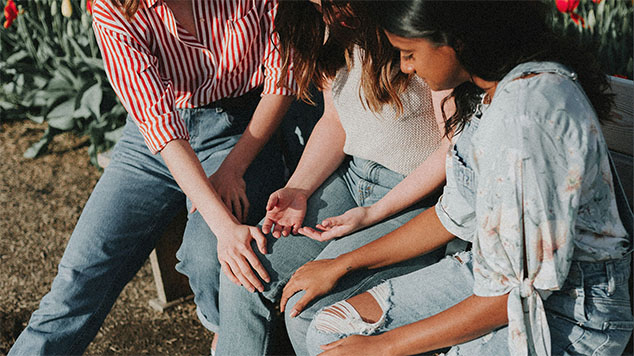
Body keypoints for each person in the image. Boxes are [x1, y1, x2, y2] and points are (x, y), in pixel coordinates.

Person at [280, 1, 634, 355]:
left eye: (409, 52)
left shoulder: (527, 117)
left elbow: (512, 295)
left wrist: (382, 347)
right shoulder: (488, 92)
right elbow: (451, 216)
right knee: (329, 330)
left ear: (457, 41)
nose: (405, 66)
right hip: (487, 273)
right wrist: (341, 263)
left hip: (568, 313)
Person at [8, 0, 298, 354]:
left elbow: (282, 79)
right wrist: (224, 226)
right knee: (79, 277)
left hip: (240, 132)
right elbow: (159, 125)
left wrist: (233, 170)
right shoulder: (113, 6)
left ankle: (226, 331)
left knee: (207, 256)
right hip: (152, 140)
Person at [215, 1, 457, 355]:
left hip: (415, 198)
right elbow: (335, 121)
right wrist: (299, 187)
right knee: (244, 274)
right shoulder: (322, 22)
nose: (326, 11)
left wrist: (376, 212)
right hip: (350, 179)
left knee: (308, 308)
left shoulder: (410, 26)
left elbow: (452, 149)